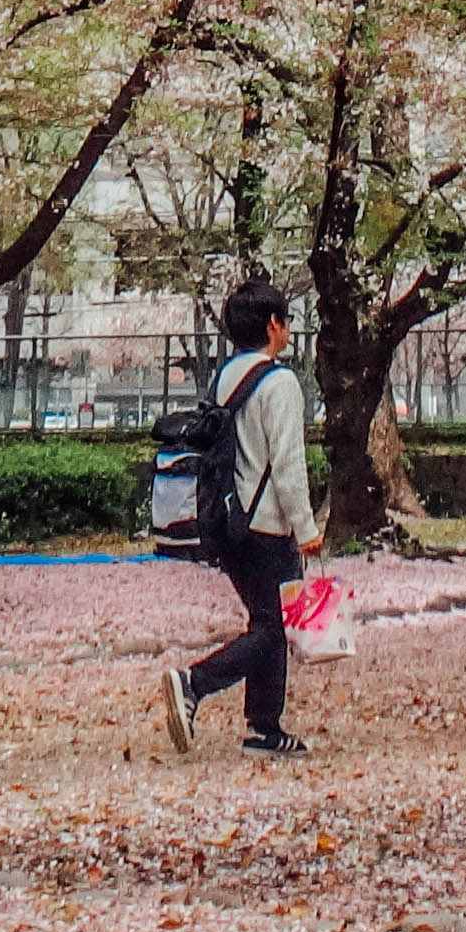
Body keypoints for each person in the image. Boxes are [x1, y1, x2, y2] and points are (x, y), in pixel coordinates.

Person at [162, 282, 321, 758]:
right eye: (285, 320)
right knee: (273, 629)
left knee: (266, 622)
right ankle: (195, 683)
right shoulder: (280, 383)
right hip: (266, 524)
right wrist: (307, 529)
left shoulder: (226, 377)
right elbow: (289, 464)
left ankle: (265, 729)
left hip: (226, 521)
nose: (288, 329)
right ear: (273, 324)